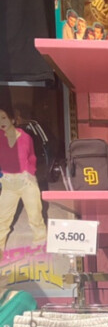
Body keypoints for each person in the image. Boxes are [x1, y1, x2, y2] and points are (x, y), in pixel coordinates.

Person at [0, 106, 45, 254]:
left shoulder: (26, 138)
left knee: (35, 216)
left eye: (4, 118)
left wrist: (29, 173)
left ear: (12, 120)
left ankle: (40, 244)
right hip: (8, 184)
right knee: (2, 219)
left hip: (27, 183)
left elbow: (32, 157)